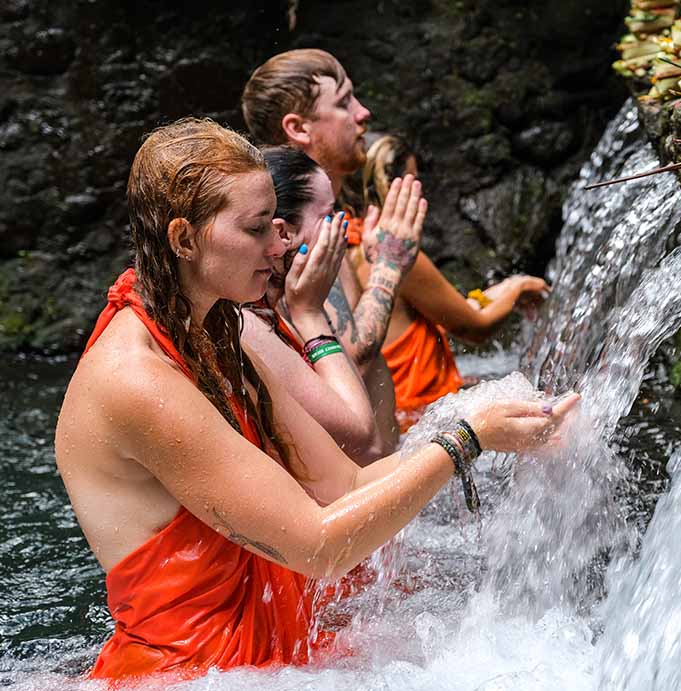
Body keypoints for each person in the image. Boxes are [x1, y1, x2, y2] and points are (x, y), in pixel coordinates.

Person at [54, 118, 577, 681]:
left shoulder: (219, 330)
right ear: (183, 239)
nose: (281, 243)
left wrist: (486, 421)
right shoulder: (137, 379)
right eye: (257, 228)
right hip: (189, 676)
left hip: (268, 663)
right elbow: (321, 547)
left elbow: (344, 487)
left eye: (278, 224)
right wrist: (467, 438)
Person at [242, 48, 410, 447]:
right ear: (298, 128)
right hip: (355, 489)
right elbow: (350, 358)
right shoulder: (298, 231)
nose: (363, 113)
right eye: (344, 102)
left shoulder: (321, 219)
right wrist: (388, 266)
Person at [344, 135, 550, 429]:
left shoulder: (349, 245)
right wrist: (518, 288)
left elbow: (450, 310)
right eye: (414, 181)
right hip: (420, 421)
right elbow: (474, 328)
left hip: (392, 420)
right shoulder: (395, 256)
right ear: (395, 189)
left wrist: (499, 291)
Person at [240, 146, 425, 464]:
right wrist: (388, 267)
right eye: (329, 215)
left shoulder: (292, 289)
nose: (340, 227)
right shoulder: (251, 321)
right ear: (283, 232)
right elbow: (353, 365)